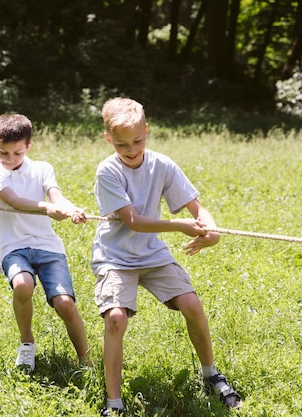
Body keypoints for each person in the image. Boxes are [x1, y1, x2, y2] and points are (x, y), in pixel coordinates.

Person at [91, 98, 241, 415]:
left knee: (192, 304)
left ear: (146, 131)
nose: (131, 149)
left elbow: (197, 208)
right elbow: (131, 220)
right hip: (115, 257)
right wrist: (181, 227)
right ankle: (114, 404)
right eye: (121, 144)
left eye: (137, 140)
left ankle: (210, 374)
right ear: (108, 139)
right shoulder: (108, 171)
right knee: (115, 319)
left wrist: (210, 230)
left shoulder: (162, 164)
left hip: (152, 255)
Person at [0, 113, 90, 371]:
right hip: (13, 247)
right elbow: (14, 201)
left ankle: (86, 360)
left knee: (64, 303)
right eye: (3, 153)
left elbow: (56, 196)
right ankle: (27, 343)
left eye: (17, 153)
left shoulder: (42, 168)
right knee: (22, 285)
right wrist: (47, 208)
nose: (10, 159)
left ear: (28, 147)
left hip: (47, 246)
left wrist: (71, 209)